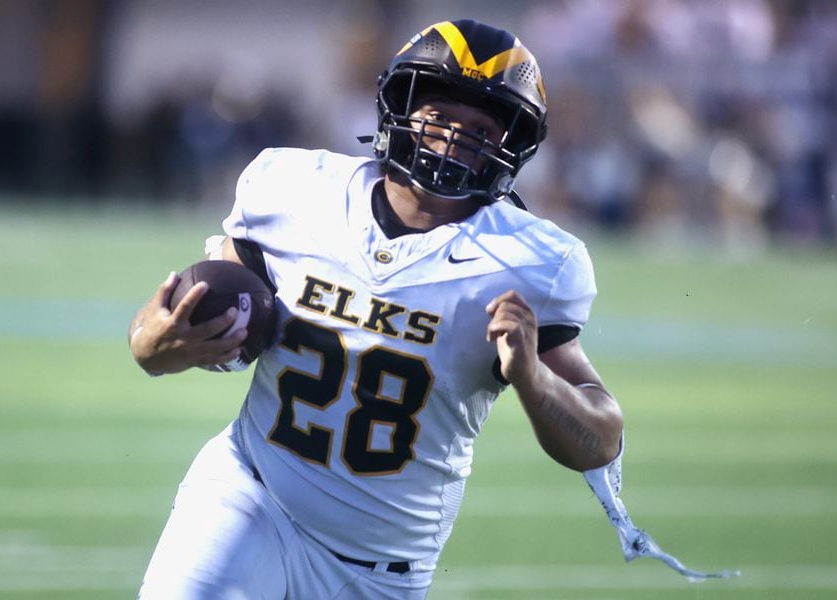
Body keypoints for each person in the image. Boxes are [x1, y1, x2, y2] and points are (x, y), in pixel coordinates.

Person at [128, 19, 730, 599]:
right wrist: (152, 347)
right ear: (400, 108)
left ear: (510, 148)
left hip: (380, 566)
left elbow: (599, 439)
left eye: (479, 131)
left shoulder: (530, 261)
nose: (452, 141)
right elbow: (194, 318)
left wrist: (532, 377)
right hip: (248, 496)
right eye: (439, 117)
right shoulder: (293, 190)